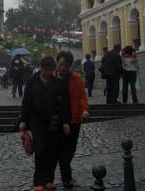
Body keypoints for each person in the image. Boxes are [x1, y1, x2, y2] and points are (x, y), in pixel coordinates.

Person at [19, 57, 71, 191]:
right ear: (41, 68)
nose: (50, 72)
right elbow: (26, 102)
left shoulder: (58, 83)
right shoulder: (32, 81)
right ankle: (39, 182)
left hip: (54, 120)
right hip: (37, 120)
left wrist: (65, 122)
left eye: (52, 69)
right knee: (40, 150)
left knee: (52, 151)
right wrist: (23, 121)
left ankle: (49, 179)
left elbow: (64, 104)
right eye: (48, 70)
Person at [56, 51, 89, 189]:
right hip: (58, 120)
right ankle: (66, 178)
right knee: (62, 149)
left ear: (69, 66)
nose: (62, 68)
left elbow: (82, 96)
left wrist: (85, 110)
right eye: (60, 64)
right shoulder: (52, 79)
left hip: (74, 119)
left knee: (71, 149)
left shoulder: (76, 79)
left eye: (65, 65)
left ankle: (65, 168)